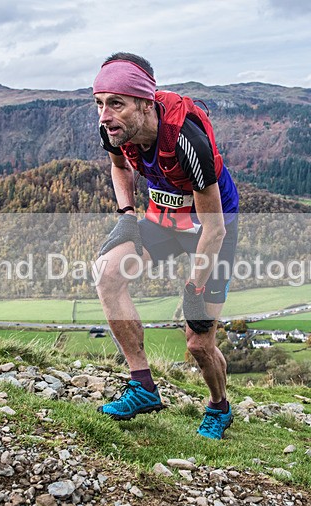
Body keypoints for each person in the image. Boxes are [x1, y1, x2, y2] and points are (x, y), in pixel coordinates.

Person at [91, 52, 239, 439]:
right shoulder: (113, 130)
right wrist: (127, 214)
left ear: (144, 102)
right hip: (164, 218)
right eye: (100, 103)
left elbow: (215, 230)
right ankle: (142, 386)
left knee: (198, 342)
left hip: (212, 227)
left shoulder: (187, 141)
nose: (105, 115)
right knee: (107, 274)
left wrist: (193, 290)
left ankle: (219, 407)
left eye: (116, 103)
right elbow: (120, 167)